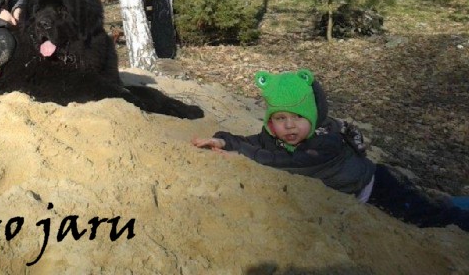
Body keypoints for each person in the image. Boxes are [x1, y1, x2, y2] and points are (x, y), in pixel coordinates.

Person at [192, 69, 469, 231]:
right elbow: (257, 142)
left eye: (298, 117)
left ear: (312, 117)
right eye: (280, 118)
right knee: (431, 205)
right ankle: (448, 202)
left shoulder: (325, 143)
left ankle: (458, 212)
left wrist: (241, 154)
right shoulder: (279, 135)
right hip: (367, 187)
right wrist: (225, 141)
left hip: (377, 187)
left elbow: (288, 164)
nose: (289, 125)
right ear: (271, 121)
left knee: (433, 218)